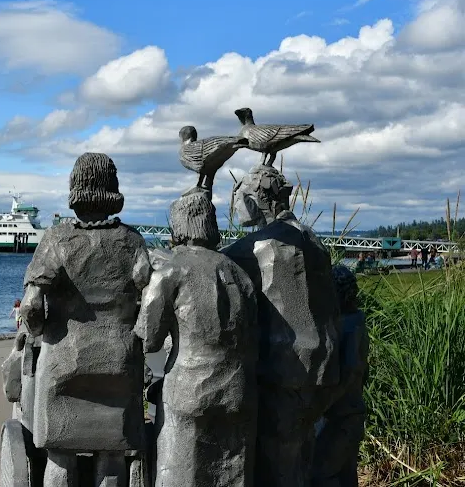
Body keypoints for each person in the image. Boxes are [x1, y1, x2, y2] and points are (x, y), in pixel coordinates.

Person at [20, 152, 152, 487]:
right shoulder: (132, 241)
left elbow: (32, 307)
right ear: (113, 188)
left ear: (75, 187)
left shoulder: (57, 239)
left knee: (60, 454)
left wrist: (38, 333)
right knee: (111, 454)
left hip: (64, 360)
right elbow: (149, 302)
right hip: (118, 362)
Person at [223, 165, 340, 487]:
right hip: (324, 364)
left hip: (284, 369)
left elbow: (214, 268)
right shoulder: (310, 238)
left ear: (252, 199)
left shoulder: (258, 247)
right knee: (300, 452)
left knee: (278, 460)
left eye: (236, 199)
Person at [135, 190, 259, 487]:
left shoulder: (170, 271)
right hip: (238, 387)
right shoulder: (239, 273)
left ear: (179, 226)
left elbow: (148, 339)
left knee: (181, 472)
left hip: (189, 388)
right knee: (233, 472)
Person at [312, 265, 369, 487]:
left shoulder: (347, 325)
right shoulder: (356, 320)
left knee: (321, 472)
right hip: (351, 411)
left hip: (339, 414)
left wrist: (321, 403)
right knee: (346, 472)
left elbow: (351, 369)